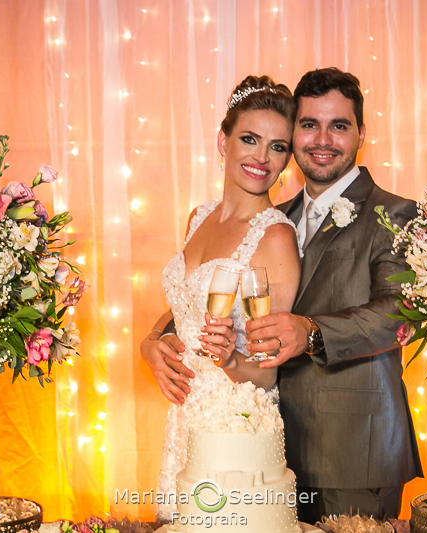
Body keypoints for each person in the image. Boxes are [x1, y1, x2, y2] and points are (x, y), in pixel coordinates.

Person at [244, 67, 424, 521]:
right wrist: (162, 337)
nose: (322, 139)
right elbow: (218, 285)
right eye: (309, 124)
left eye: (338, 125)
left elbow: (399, 311)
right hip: (270, 449)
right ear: (294, 132)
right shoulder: (270, 217)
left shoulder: (396, 213)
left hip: (355, 451)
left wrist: (311, 332)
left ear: (361, 133)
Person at [139, 75, 302, 521]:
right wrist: (150, 341)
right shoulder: (199, 216)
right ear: (221, 140)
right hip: (184, 410)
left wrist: (230, 358)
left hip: (231, 424)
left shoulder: (275, 239)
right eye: (250, 139)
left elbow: (268, 377)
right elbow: (184, 307)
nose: (262, 158)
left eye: (278, 147)